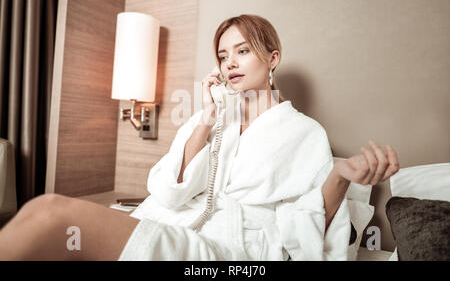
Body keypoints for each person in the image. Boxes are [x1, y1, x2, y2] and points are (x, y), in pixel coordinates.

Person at [0, 14, 399, 261]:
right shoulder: (211, 117)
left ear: (272, 58)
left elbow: (307, 226)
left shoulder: (306, 133)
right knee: (41, 216)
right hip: (175, 224)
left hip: (233, 252)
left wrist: (341, 173)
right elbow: (169, 192)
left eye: (242, 51)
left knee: (51, 214)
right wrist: (207, 119)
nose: (230, 63)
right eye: (224, 56)